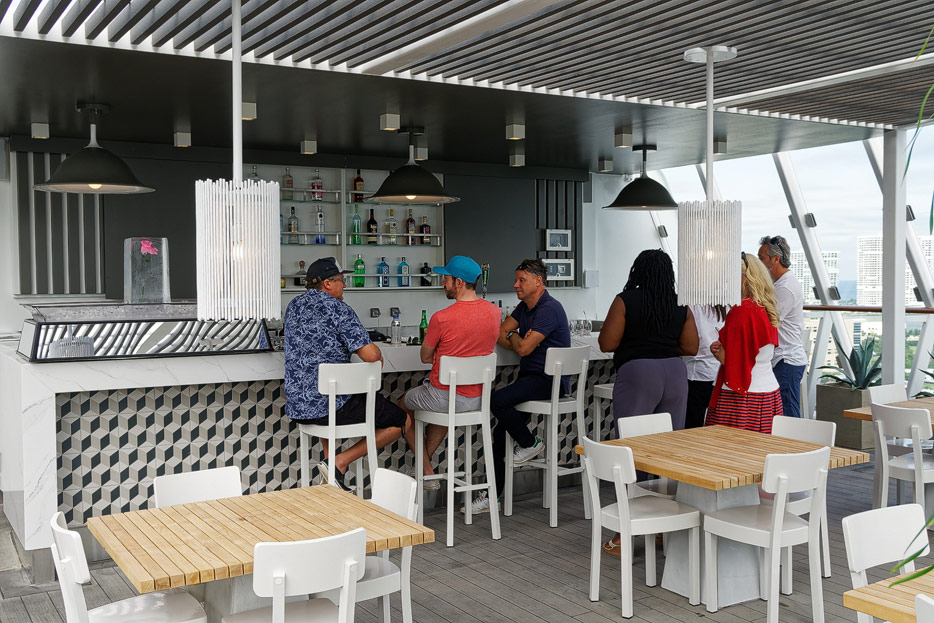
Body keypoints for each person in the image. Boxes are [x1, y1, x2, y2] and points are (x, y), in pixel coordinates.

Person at [284, 257, 410, 491]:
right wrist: (377, 352)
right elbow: (370, 355)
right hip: (331, 407)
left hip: (298, 407)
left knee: (329, 396)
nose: (344, 285)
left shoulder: (294, 306)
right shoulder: (338, 308)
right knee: (402, 420)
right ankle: (339, 462)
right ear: (327, 283)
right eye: (341, 280)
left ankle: (331, 474)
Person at [464, 258, 570, 514]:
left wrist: (515, 337)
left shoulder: (549, 309)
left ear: (538, 281)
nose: (515, 285)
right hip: (530, 378)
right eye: (516, 280)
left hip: (549, 381)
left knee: (495, 400)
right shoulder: (525, 307)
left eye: (521, 280)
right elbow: (501, 334)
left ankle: (531, 443)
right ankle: (494, 496)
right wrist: (516, 336)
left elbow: (521, 348)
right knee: (500, 432)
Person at [399, 256, 501, 491]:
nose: (443, 283)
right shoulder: (495, 313)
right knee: (444, 407)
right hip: (478, 400)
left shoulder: (441, 318)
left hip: (445, 397)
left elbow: (425, 357)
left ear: (459, 282)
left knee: (401, 407)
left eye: (446, 279)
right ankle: (424, 469)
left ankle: (425, 469)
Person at [598, 249, 698, 431]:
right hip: (675, 373)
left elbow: (607, 344)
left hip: (638, 372)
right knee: (671, 437)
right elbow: (692, 347)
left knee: (633, 436)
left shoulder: (625, 300)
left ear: (638, 271)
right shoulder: (680, 304)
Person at [706, 252, 783, 433]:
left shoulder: (741, 311)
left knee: (727, 447)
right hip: (768, 392)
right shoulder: (766, 308)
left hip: (741, 397)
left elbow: (731, 362)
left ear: (745, 278)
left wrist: (718, 352)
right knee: (763, 448)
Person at [758, 235, 808, 418]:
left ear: (776, 259)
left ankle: (795, 440)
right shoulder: (781, 284)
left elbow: (768, 321)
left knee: (787, 416)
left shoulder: (785, 288)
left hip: (786, 360)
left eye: (762, 258)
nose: (759, 264)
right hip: (782, 359)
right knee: (781, 414)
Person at [683, 304, 727, 428]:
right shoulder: (728, 307)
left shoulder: (692, 306)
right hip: (718, 375)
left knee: (693, 427)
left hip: (695, 375)